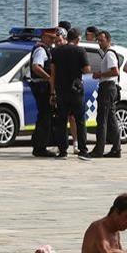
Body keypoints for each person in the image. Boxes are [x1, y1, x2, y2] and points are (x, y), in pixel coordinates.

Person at [50, 28, 91, 158]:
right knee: (80, 121)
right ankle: (83, 150)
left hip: (61, 91)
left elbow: (53, 74)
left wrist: (52, 92)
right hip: (76, 91)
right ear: (78, 39)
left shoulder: (56, 52)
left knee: (61, 121)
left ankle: (63, 151)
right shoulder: (80, 51)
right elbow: (86, 70)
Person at [89, 30, 122, 158]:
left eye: (101, 40)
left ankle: (99, 149)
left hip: (107, 87)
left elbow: (115, 72)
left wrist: (100, 75)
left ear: (108, 40)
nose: (99, 43)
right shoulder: (107, 54)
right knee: (110, 119)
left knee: (102, 119)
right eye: (98, 40)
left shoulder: (109, 54)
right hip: (108, 87)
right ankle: (116, 148)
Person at [29, 29, 57, 157]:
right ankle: (40, 147)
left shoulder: (44, 49)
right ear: (44, 37)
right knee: (44, 116)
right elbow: (36, 67)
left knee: (44, 116)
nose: (53, 41)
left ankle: (39, 144)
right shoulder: (41, 50)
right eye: (51, 38)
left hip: (41, 85)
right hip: (41, 86)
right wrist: (48, 77)